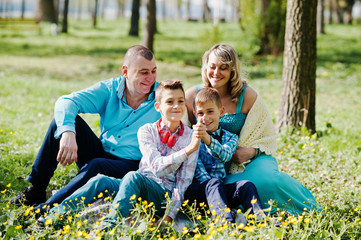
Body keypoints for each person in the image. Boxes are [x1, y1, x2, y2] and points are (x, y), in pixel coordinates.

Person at [7, 45, 162, 214]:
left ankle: (46, 210)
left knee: (97, 165)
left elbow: (183, 103)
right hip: (103, 153)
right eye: (143, 72)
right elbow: (66, 101)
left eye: (153, 71)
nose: (150, 78)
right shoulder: (111, 89)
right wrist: (68, 132)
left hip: (133, 165)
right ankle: (35, 191)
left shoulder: (162, 96)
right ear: (125, 71)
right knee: (58, 125)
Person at [40, 79, 200, 228]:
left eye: (180, 101)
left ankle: (109, 226)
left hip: (162, 196)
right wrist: (186, 151)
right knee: (100, 180)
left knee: (133, 177)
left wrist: (169, 216)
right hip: (138, 184)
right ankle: (52, 217)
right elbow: (156, 167)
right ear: (157, 107)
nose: (176, 106)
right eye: (170, 102)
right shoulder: (147, 131)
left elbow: (183, 183)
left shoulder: (191, 138)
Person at [185, 43, 319, 216]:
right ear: (206, 68)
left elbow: (266, 135)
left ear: (232, 70)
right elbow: (176, 128)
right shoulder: (192, 96)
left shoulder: (247, 96)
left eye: (223, 68)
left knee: (265, 181)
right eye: (212, 66)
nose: (216, 73)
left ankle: (306, 208)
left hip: (244, 163)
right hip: (208, 169)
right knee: (216, 189)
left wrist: (251, 152)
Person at [184, 87, 263, 224]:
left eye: (210, 112)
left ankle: (262, 221)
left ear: (221, 112)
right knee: (212, 183)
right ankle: (225, 224)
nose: (205, 118)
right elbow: (197, 169)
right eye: (201, 113)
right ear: (195, 115)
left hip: (218, 191)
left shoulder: (230, 137)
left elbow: (225, 156)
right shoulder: (189, 137)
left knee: (246, 185)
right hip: (196, 193)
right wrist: (213, 189)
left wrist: (209, 141)